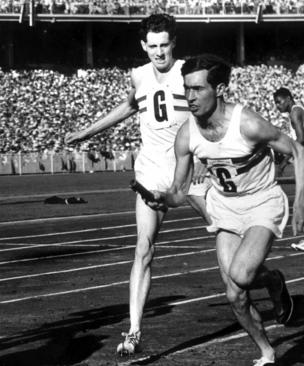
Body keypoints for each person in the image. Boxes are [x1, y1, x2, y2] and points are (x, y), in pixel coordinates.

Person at [65, 13, 210, 355]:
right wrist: (88, 131)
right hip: (151, 170)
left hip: (188, 169)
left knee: (229, 243)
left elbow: (207, 116)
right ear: (144, 45)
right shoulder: (139, 74)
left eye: (164, 45)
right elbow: (130, 105)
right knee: (143, 249)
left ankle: (269, 282)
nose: (159, 53)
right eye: (153, 46)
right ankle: (133, 331)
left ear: (174, 43)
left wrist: (203, 156)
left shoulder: (189, 72)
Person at [153, 54, 304, 366]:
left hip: (262, 202)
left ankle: (273, 281)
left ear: (220, 89)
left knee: (239, 274)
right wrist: (162, 199)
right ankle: (267, 351)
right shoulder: (187, 133)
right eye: (187, 89)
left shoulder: (247, 124)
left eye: (197, 89)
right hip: (225, 207)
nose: (190, 97)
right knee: (234, 294)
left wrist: (301, 200)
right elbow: (179, 191)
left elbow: (299, 150)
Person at [273, 87, 304, 253]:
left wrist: (284, 161)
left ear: (289, 98)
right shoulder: (303, 110)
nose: (277, 106)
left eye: (279, 101)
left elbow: (302, 139)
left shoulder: (295, 112)